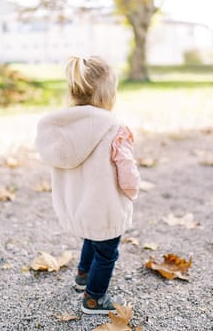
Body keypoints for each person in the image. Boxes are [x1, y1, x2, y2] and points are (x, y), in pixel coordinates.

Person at [36, 56, 140, 314]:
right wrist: (132, 191)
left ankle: (83, 275)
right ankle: (93, 298)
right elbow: (126, 169)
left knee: (92, 239)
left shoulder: (61, 128)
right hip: (104, 206)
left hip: (80, 205)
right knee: (107, 253)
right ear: (108, 93)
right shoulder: (114, 128)